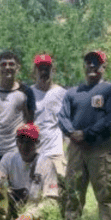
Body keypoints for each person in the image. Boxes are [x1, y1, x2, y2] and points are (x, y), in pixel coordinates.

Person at [58, 50, 111, 220]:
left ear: (104, 66)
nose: (92, 66)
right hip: (76, 148)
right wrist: (71, 132)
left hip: (99, 147)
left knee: (104, 190)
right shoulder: (72, 92)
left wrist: (86, 133)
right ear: (84, 66)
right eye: (89, 62)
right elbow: (62, 116)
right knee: (73, 190)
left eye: (97, 62)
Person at [0, 123, 59, 220]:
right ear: (16, 142)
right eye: (21, 141)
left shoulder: (46, 164)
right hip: (11, 207)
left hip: (34, 211)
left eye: (29, 142)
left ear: (37, 143)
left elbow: (51, 201)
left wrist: (30, 215)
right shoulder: (8, 158)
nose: (24, 146)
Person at [0, 50, 36, 183]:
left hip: (16, 151)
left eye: (11, 64)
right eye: (3, 64)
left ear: (17, 67)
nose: (7, 67)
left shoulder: (26, 92)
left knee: (17, 188)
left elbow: (30, 121)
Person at [30, 54, 68, 186]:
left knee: (60, 189)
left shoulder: (62, 94)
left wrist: (67, 151)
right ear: (34, 71)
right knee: (34, 191)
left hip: (56, 152)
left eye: (47, 68)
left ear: (53, 70)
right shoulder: (28, 93)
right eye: (40, 68)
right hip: (34, 152)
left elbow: (68, 125)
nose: (44, 72)